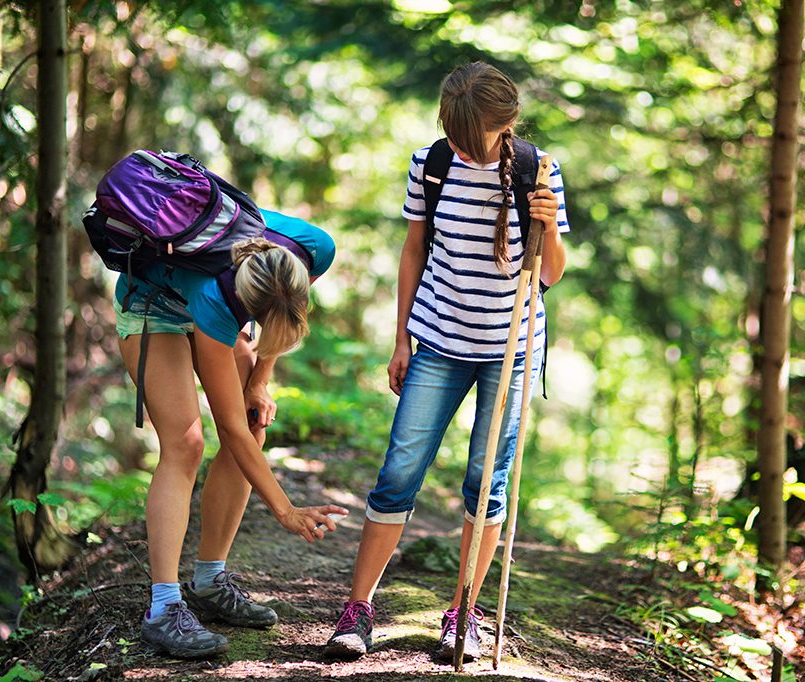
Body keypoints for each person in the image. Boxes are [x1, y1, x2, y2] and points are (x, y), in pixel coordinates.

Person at [324, 62, 568, 663]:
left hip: (509, 349)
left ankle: (463, 610)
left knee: (487, 484)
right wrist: (401, 338)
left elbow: (552, 275)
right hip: (436, 339)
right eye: (451, 130)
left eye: (469, 134)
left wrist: (546, 226)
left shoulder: (539, 170)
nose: (458, 143)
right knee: (399, 471)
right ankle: (358, 610)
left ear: (503, 124)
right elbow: (413, 251)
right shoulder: (430, 164)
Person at [114, 208, 349, 659]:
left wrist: (261, 379)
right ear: (246, 304)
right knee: (186, 444)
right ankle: (163, 608)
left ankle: (208, 580)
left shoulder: (313, 249)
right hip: (153, 306)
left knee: (255, 417)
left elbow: (281, 316)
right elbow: (230, 429)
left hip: (229, 303)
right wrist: (286, 510)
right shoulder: (214, 299)